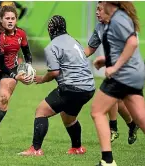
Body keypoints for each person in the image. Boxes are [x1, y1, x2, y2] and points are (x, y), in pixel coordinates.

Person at [19, 15, 95, 156]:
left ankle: (35, 149)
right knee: (68, 117)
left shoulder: (52, 46)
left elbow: (54, 72)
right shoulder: (74, 41)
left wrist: (41, 79)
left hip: (71, 88)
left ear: (51, 29)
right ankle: (77, 148)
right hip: (89, 88)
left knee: (41, 111)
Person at [90, 2, 145, 166]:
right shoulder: (117, 19)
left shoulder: (119, 19)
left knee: (97, 111)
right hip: (134, 73)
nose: (99, 8)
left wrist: (115, 66)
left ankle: (107, 161)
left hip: (123, 75)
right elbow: (122, 48)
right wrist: (107, 60)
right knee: (141, 118)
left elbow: (132, 43)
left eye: (101, 5)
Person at [0, 5, 33, 144]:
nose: (10, 21)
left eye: (13, 18)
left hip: (11, 68)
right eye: (7, 18)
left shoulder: (21, 34)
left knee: (4, 98)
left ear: (16, 19)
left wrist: (27, 68)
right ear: (1, 19)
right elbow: (1, 64)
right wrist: (15, 75)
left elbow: (27, 54)